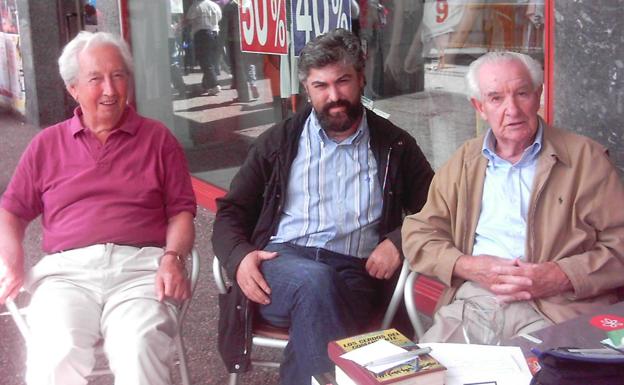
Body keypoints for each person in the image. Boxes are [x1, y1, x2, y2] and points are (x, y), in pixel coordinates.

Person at [212, 28, 434, 385]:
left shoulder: (395, 145)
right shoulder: (279, 143)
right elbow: (230, 212)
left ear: (361, 79)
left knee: (318, 294)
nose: (334, 96)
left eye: (343, 81)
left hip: (356, 275)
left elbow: (437, 207)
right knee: (313, 282)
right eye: (321, 86)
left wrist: (400, 238)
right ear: (307, 90)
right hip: (280, 270)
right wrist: (239, 258)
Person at [0, 31, 196, 385]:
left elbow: (181, 211)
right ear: (73, 88)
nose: (110, 89)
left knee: (138, 349)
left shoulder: (158, 139)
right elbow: (10, 211)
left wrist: (173, 258)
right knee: (55, 352)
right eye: (96, 79)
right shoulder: (47, 144)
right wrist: (12, 259)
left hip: (139, 271)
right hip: (65, 275)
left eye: (118, 75)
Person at [402, 51, 624, 343]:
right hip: (476, 303)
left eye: (522, 93)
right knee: (429, 372)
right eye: (496, 98)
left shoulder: (586, 159)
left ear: (539, 95)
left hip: (556, 309)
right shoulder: (465, 162)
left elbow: (619, 245)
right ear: (479, 107)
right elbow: (419, 233)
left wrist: (560, 275)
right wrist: (467, 266)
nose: (513, 110)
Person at [183, 0, 222, 95]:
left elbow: (188, 20)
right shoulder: (214, 5)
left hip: (202, 34)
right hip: (215, 33)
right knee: (211, 60)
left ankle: (214, 85)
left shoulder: (196, 6)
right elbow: (220, 17)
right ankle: (206, 85)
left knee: (205, 61)